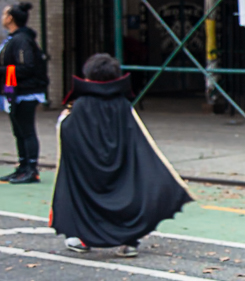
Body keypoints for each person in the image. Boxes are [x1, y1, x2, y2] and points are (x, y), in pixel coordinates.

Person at [50, 53, 192, 258]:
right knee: (126, 194)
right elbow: (138, 137)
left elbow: (66, 130)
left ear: (88, 77)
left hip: (88, 167)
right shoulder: (123, 105)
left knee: (81, 194)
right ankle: (128, 240)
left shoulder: (79, 106)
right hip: (120, 164)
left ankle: (82, 236)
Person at [1, 2, 48, 184]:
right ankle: (22, 167)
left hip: (27, 91)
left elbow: (26, 67)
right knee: (18, 131)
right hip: (14, 91)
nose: (3, 17)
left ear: (11, 18)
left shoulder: (22, 40)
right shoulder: (14, 38)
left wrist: (2, 70)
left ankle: (32, 169)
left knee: (26, 130)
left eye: (5, 14)